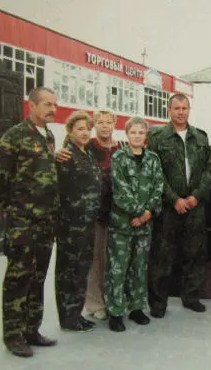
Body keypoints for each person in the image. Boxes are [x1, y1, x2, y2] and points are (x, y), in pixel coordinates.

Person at [0, 87, 60, 358]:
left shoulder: (49, 135)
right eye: (46, 104)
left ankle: (32, 329)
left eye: (54, 104)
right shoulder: (15, 136)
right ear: (31, 105)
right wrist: (10, 209)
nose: (52, 109)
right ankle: (14, 336)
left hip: (45, 220)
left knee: (38, 275)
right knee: (18, 277)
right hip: (23, 221)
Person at [147, 93, 211, 316]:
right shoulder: (157, 137)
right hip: (169, 207)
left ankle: (191, 297)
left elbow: (210, 171)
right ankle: (158, 303)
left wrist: (196, 196)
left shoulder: (200, 137)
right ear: (169, 110)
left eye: (184, 108)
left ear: (189, 110)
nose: (180, 112)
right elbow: (154, 173)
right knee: (162, 256)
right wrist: (173, 199)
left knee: (194, 253)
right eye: (176, 108)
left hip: (195, 205)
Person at [57, 110, 125, 321]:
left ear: (114, 124)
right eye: (100, 123)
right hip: (92, 213)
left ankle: (113, 299)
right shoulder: (88, 147)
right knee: (95, 260)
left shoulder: (121, 147)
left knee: (111, 259)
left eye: (108, 122)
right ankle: (95, 303)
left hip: (116, 211)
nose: (104, 126)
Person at [106, 117, 164, 332]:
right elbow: (120, 191)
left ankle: (137, 308)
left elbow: (158, 188)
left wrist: (147, 215)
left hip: (144, 225)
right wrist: (139, 213)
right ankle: (115, 311)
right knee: (118, 269)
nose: (137, 136)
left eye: (141, 133)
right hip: (123, 224)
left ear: (145, 135)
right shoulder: (119, 157)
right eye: (133, 132)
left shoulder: (153, 159)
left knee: (139, 268)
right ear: (127, 134)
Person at [55, 111, 102, 332]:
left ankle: (76, 313)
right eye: (80, 129)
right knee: (68, 270)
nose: (85, 133)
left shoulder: (87, 153)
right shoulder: (66, 155)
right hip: (71, 224)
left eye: (87, 129)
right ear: (70, 131)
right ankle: (67, 317)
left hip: (87, 222)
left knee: (82, 269)